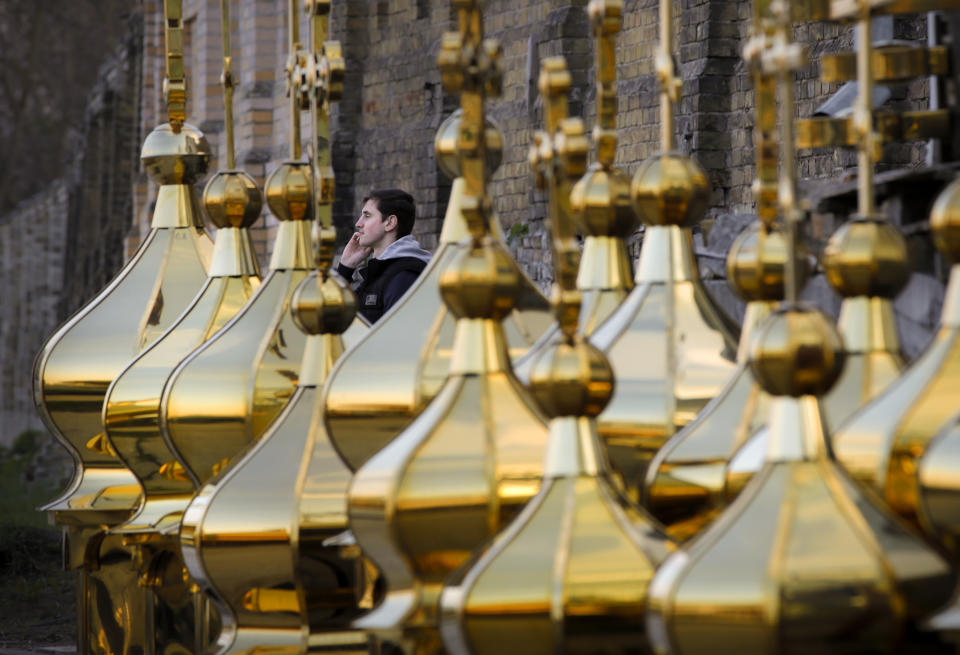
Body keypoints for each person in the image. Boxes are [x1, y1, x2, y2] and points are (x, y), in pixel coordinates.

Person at [337, 188, 432, 323]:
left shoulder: (405, 276)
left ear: (390, 223)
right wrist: (346, 266)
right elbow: (334, 319)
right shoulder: (380, 272)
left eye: (367, 216)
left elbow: (395, 338)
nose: (358, 224)